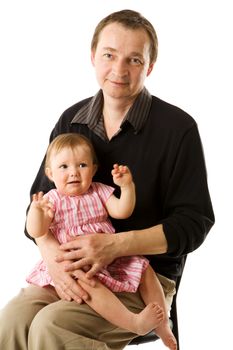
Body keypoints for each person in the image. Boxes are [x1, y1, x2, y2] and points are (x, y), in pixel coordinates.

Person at [0, 8, 214, 350]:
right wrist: (55, 262)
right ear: (93, 56)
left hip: (141, 276)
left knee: (51, 327)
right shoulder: (72, 120)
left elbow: (194, 223)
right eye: (109, 55)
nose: (119, 70)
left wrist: (114, 245)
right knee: (10, 321)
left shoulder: (178, 129)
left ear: (150, 67)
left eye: (133, 60)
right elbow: (38, 203)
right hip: (69, 267)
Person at [25, 132, 176, 348]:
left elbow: (122, 211)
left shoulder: (99, 191)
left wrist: (127, 187)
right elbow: (36, 231)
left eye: (82, 165)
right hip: (78, 264)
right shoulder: (51, 200)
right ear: (49, 174)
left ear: (94, 169)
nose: (74, 173)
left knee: (145, 270)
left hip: (110, 255)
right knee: (90, 286)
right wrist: (36, 213)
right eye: (64, 167)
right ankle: (133, 321)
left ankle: (162, 325)